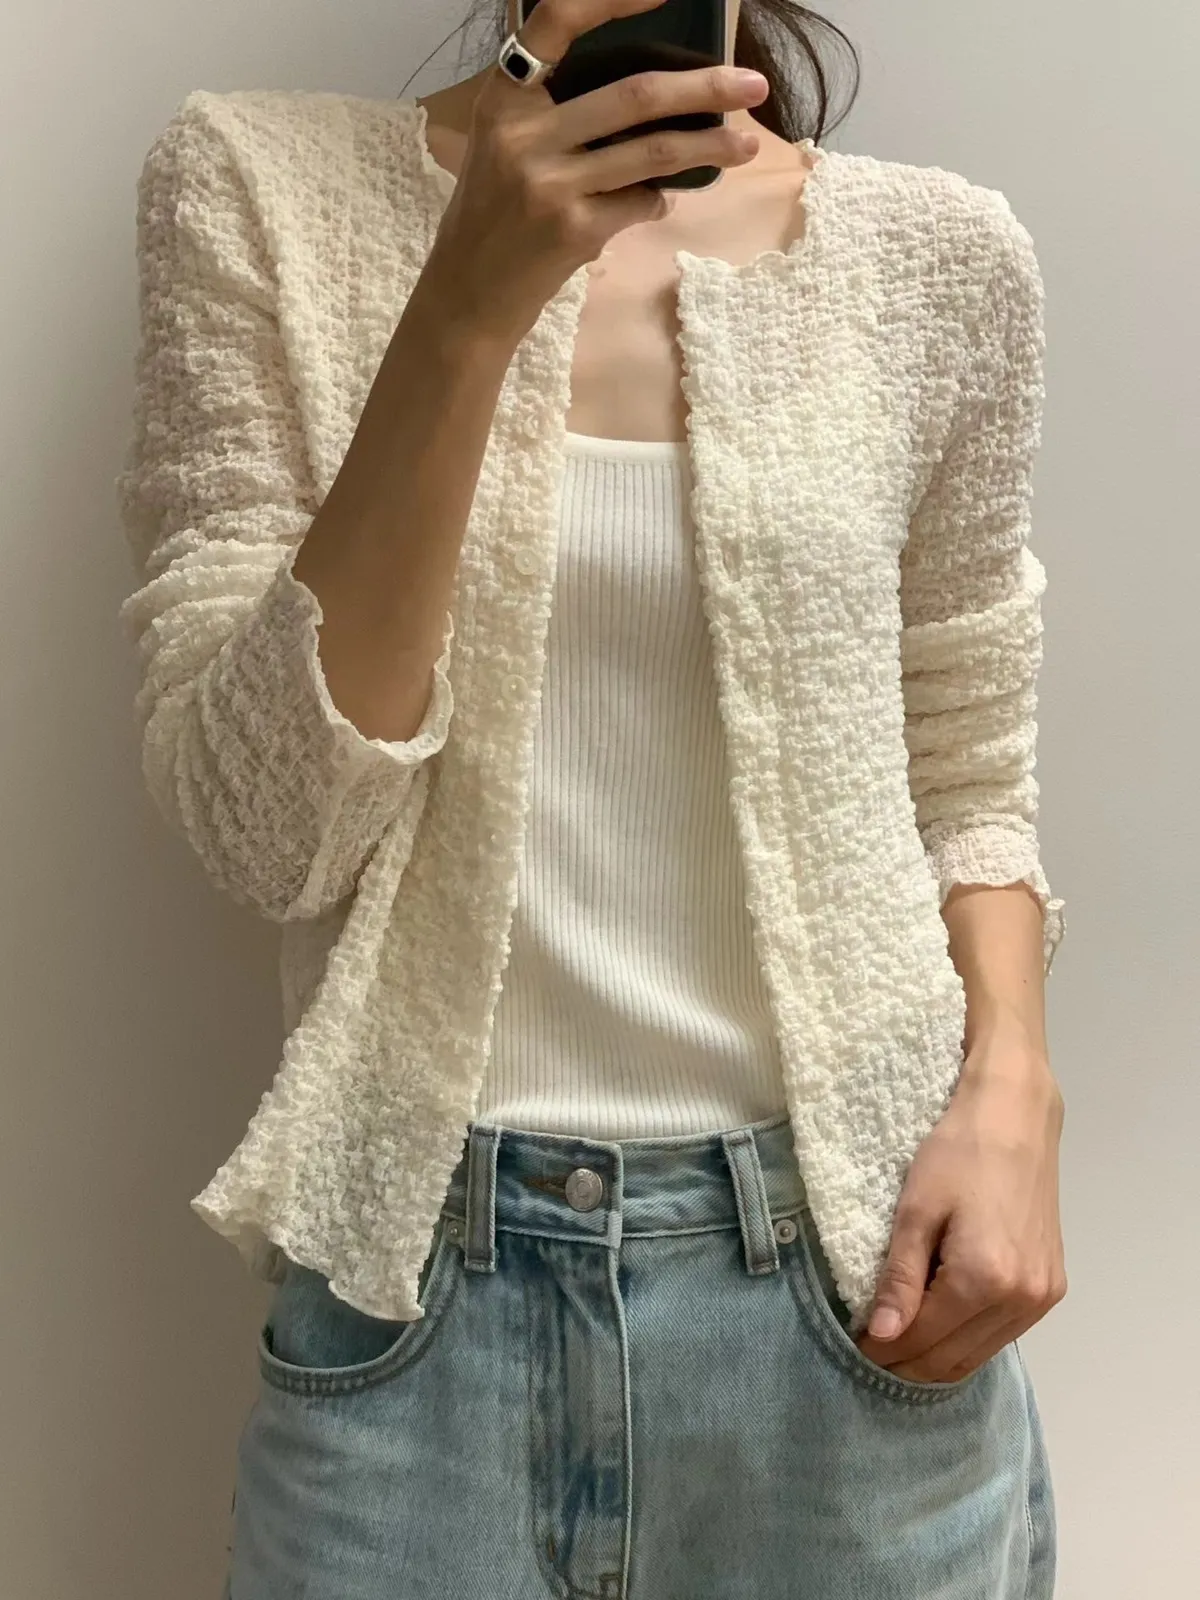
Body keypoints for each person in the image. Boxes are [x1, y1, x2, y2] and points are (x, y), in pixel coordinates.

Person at [116, 0, 1068, 1593]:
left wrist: (1017, 1091)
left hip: (863, 1286)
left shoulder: (940, 258)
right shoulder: (254, 186)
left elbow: (970, 765)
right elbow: (264, 835)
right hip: (414, 1306)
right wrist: (463, 306)